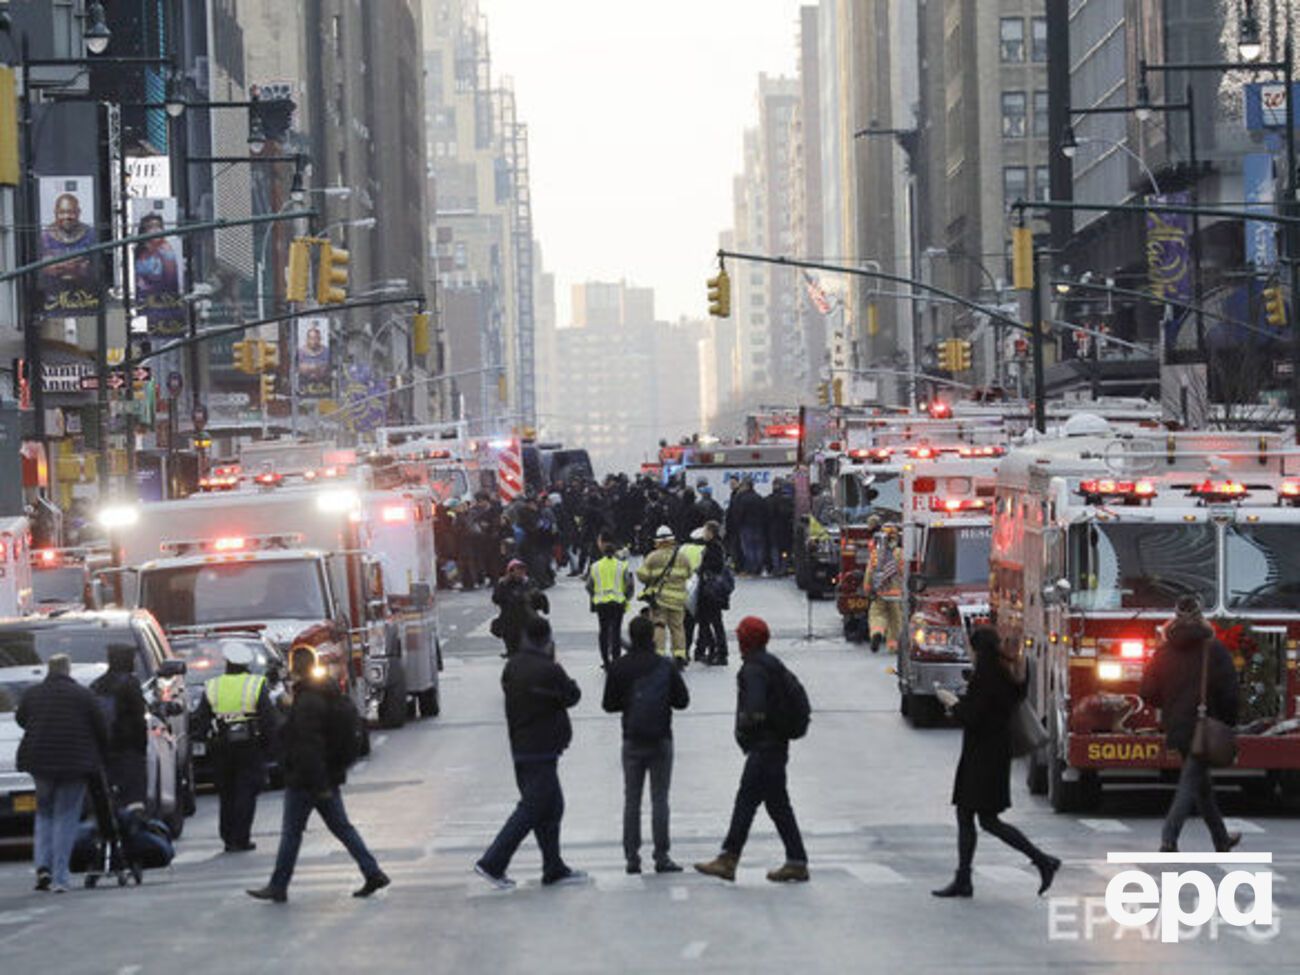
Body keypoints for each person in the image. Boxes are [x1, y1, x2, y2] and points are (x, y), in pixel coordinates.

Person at [248, 648, 388, 903]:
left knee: (291, 833)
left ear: (294, 669)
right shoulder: (327, 693)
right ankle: (372, 872)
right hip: (326, 776)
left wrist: (316, 781)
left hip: (307, 780)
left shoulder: (307, 701)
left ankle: (278, 885)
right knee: (343, 829)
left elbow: (307, 745)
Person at [932, 627, 1060, 899]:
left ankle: (1041, 860)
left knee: (981, 819)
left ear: (978, 649)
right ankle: (965, 877)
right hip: (992, 755)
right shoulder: (1003, 673)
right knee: (975, 817)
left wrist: (952, 703)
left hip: (982, 757)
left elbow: (976, 717)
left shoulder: (986, 676)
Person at [475, 617, 586, 889]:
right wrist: (555, 663)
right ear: (547, 639)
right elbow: (572, 695)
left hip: (522, 745)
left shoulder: (512, 667)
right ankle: (492, 862)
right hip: (542, 747)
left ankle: (553, 865)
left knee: (552, 806)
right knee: (532, 809)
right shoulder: (549, 670)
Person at [696, 617, 809, 884]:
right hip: (777, 745)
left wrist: (746, 729)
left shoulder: (753, 669)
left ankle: (729, 858)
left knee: (746, 801)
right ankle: (796, 860)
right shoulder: (772, 664)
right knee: (778, 805)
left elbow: (755, 708)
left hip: (764, 747)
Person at [1140, 597, 1242, 854]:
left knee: (1200, 784)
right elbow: (1230, 692)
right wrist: (1227, 723)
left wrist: (1169, 706)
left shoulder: (1164, 652)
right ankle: (1169, 837)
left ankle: (1221, 839)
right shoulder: (1214, 649)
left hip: (1177, 725)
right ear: (1201, 616)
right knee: (1190, 782)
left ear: (1174, 617)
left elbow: (1147, 691)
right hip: (1205, 726)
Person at [602, 616, 690, 874]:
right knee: (660, 798)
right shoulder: (664, 666)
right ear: (652, 636)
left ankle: (632, 857)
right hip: (661, 737)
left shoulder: (619, 667)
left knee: (632, 800)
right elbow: (682, 701)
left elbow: (609, 705)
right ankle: (662, 856)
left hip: (632, 737)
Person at [16, 654, 108, 893]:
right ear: (68, 671)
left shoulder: (33, 694)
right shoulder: (84, 695)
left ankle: (42, 867)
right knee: (65, 817)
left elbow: (21, 719)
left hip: (40, 762)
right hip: (74, 763)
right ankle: (60, 876)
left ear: (49, 670)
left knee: (44, 814)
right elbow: (101, 727)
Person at [193, 641, 277, 853]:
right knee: (246, 791)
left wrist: (200, 740)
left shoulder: (212, 686)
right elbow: (268, 719)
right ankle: (241, 837)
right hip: (250, 745)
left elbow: (201, 719)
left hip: (221, 746)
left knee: (227, 792)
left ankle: (228, 838)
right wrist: (270, 747)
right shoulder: (255, 684)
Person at [89, 643, 148, 814]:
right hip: (129, 749)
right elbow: (138, 719)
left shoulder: (97, 684)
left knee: (111, 796)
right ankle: (133, 828)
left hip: (105, 750)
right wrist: (141, 748)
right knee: (134, 797)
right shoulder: (130, 683)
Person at [636, 525, 692, 668]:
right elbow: (689, 574)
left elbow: (643, 576)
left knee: (659, 626)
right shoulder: (682, 557)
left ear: (658, 542)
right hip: (678, 599)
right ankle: (680, 655)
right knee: (678, 628)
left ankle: (659, 655)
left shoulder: (652, 557)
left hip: (660, 599)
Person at [586, 534, 634, 668]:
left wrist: (595, 596)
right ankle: (616, 658)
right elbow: (629, 584)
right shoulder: (622, 565)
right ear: (614, 552)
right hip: (618, 602)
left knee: (604, 631)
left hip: (601, 603)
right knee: (616, 631)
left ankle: (605, 660)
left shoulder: (595, 566)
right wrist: (626, 597)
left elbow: (588, 585)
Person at [491, 558, 550, 658]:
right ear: (510, 571)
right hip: (510, 620)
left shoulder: (530, 583)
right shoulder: (504, 584)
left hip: (528, 619)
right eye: (517, 569)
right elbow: (496, 598)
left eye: (522, 569)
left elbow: (540, 601)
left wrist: (537, 598)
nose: (520, 572)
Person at [695, 522, 732, 667]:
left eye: (705, 531)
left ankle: (719, 652)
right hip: (711, 591)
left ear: (711, 532)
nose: (703, 534)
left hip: (710, 592)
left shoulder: (714, 548)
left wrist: (701, 568)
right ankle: (714, 651)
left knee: (712, 622)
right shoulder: (716, 546)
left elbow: (714, 566)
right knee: (709, 622)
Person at [866, 525, 903, 653]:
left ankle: (877, 632)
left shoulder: (876, 554)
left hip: (879, 592)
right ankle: (893, 646)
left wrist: (867, 589)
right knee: (895, 619)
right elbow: (904, 573)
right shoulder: (900, 553)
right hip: (896, 594)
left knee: (877, 615)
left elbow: (869, 573)